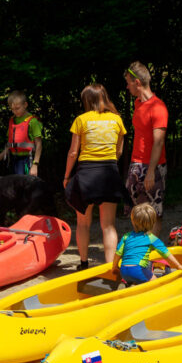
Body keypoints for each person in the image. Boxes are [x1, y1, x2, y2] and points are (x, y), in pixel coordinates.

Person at [63, 84, 126, 269]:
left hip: (86, 175)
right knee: (108, 226)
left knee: (82, 223)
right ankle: (110, 268)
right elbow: (119, 151)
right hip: (109, 174)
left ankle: (83, 264)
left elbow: (73, 153)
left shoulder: (80, 120)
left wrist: (67, 176)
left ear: (87, 100)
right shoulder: (117, 120)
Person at [123, 62, 169, 236]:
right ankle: (141, 248)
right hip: (136, 163)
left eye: (128, 82)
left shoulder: (158, 107)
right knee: (136, 211)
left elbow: (158, 142)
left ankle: (151, 254)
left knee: (154, 211)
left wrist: (151, 171)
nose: (127, 87)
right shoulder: (137, 104)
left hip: (153, 166)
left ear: (137, 83)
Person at [112, 203, 182, 285]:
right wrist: (178, 265)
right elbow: (165, 253)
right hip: (137, 270)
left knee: (141, 276)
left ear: (132, 221)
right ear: (153, 222)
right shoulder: (151, 238)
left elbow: (118, 253)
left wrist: (114, 267)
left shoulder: (126, 236)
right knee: (156, 284)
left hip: (124, 271)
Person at [0, 90, 42, 176]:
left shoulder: (33, 122)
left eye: (17, 108)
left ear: (25, 105)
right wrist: (0, 156)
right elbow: (10, 145)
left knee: (25, 187)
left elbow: (39, 144)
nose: (15, 111)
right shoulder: (12, 121)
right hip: (14, 160)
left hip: (27, 160)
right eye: (12, 109)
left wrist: (35, 164)